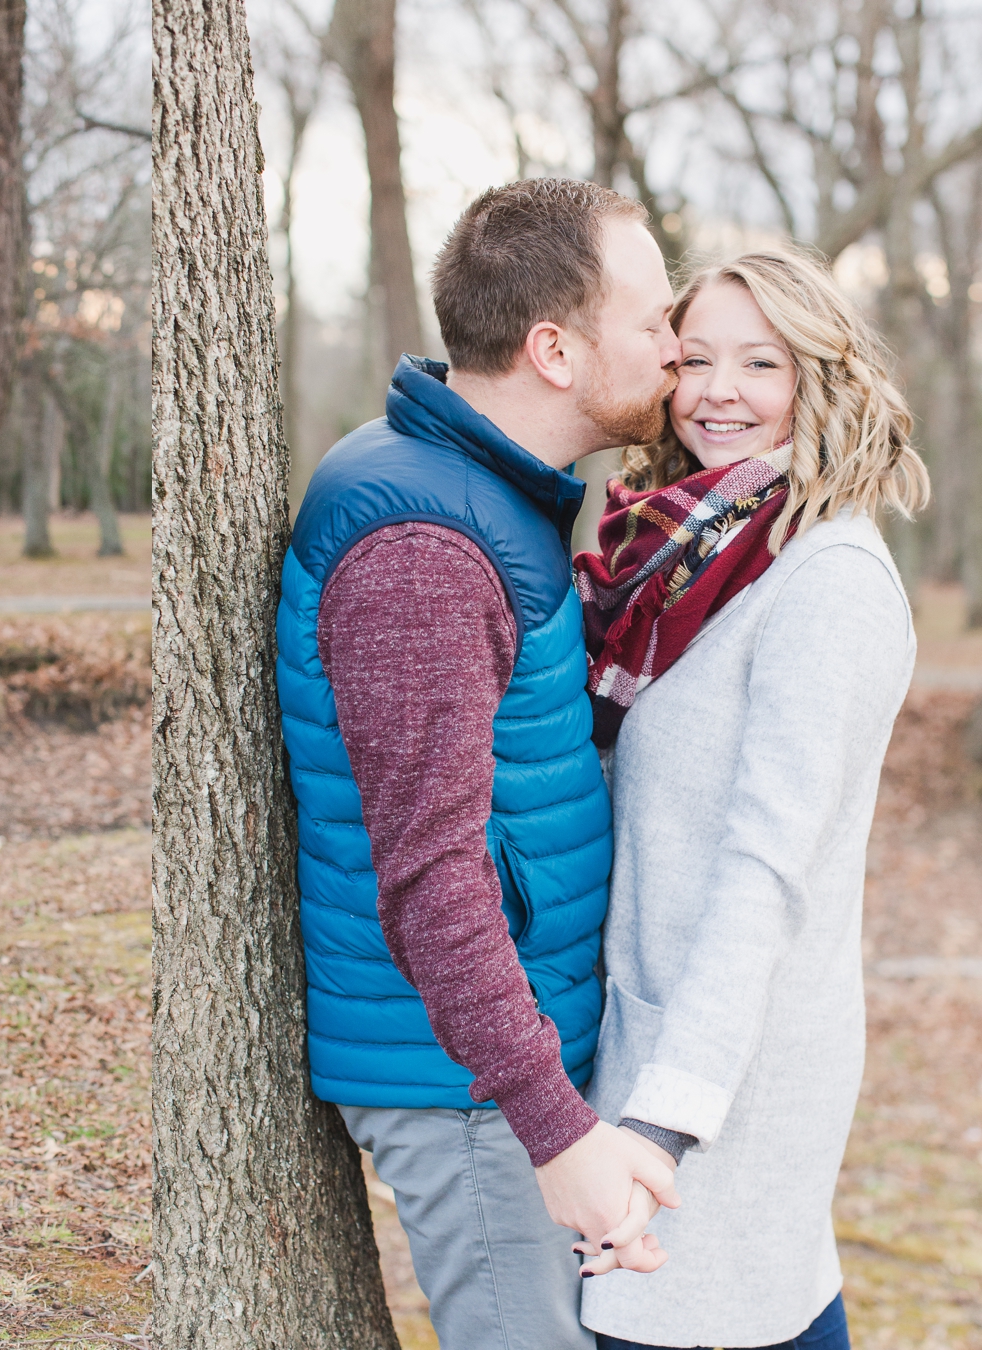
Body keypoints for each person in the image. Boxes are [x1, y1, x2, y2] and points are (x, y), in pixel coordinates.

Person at [275, 178, 684, 1349]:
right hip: (466, 1084)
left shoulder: (483, 493)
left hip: (498, 1062)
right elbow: (433, 882)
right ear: (554, 350)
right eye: (653, 321)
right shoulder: (424, 549)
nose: (677, 345)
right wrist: (551, 1125)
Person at [571, 248, 929, 1349]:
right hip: (650, 1037)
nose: (718, 391)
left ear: (819, 377)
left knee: (709, 1314)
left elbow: (764, 870)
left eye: (759, 362)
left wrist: (665, 1123)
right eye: (697, 359)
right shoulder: (701, 560)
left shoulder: (827, 583)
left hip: (725, 1072)